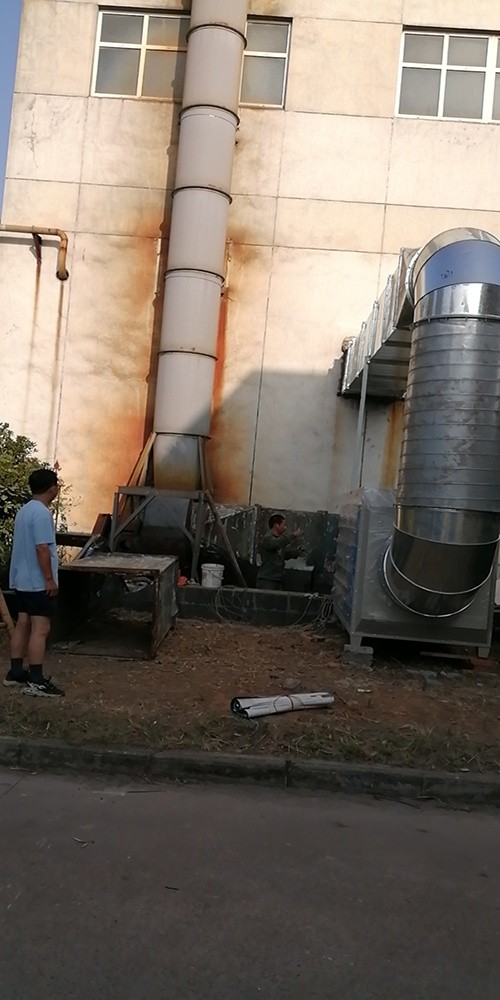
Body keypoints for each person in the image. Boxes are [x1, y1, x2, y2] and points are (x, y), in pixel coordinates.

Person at [3, 468, 65, 697]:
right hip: (37, 582)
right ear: (52, 488)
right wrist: (49, 579)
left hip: (21, 579)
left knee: (22, 622)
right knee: (41, 629)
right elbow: (42, 548)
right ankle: (36, 681)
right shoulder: (41, 513)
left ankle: (16, 672)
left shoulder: (24, 511)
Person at [255, 513, 302, 591]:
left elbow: (282, 555)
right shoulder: (267, 538)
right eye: (284, 525)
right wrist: (292, 536)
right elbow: (275, 544)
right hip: (267, 580)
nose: (285, 528)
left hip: (278, 579)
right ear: (276, 525)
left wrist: (296, 552)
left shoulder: (279, 540)